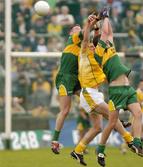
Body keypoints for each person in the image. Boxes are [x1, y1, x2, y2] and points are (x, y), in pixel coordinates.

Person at [70, 14, 136, 166]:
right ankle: (129, 140)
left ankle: (78, 150)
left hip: (94, 94)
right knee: (112, 116)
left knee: (98, 127)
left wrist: (98, 27)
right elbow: (87, 38)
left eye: (94, 45)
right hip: (88, 94)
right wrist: (90, 24)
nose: (92, 46)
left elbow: (98, 37)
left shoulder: (98, 59)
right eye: (91, 45)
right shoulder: (84, 52)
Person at [93, 10, 143, 166]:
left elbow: (109, 33)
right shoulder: (99, 53)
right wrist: (105, 17)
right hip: (116, 91)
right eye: (104, 40)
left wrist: (103, 19)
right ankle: (100, 149)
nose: (109, 40)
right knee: (111, 123)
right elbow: (106, 32)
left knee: (138, 113)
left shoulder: (109, 47)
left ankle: (136, 142)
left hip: (127, 89)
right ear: (98, 45)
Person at [51, 24, 83, 154]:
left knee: (93, 101)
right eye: (76, 27)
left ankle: (116, 122)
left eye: (79, 27)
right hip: (65, 78)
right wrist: (94, 22)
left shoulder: (83, 45)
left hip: (76, 78)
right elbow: (85, 32)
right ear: (71, 32)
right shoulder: (74, 38)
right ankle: (54, 141)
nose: (78, 28)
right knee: (65, 111)